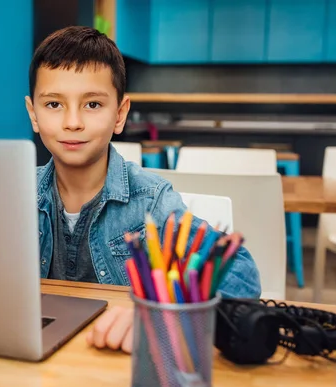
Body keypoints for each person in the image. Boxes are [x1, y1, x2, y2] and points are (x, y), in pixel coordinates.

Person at [25, 26, 261, 354]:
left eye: (92, 104)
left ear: (119, 114)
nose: (73, 121)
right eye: (54, 104)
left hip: (123, 366)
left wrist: (162, 315)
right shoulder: (14, 193)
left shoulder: (151, 201)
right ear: (33, 113)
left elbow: (242, 277)